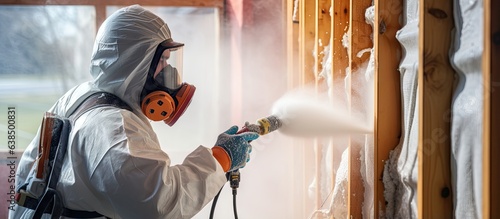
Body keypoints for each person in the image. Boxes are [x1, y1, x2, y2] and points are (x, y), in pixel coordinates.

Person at [10, 5, 258, 219]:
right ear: (136, 62)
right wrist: (220, 158)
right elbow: (159, 204)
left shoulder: (80, 96)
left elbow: (26, 173)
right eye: (162, 60)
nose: (168, 72)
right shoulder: (113, 127)